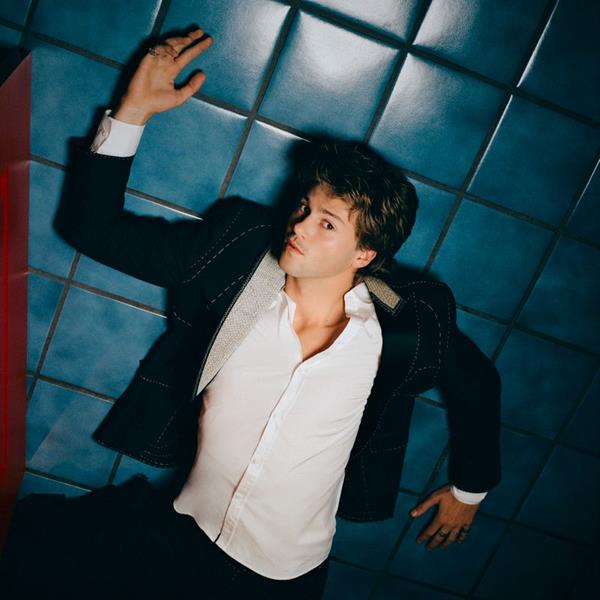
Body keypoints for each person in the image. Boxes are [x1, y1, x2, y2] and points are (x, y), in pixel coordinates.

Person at [0, 27, 501, 599]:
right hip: (178, 534)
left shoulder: (406, 325)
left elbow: (477, 382)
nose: (299, 225)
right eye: (305, 207)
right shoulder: (233, 255)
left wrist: (470, 491)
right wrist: (132, 112)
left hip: (282, 579)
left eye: (327, 224)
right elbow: (93, 229)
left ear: (364, 254)